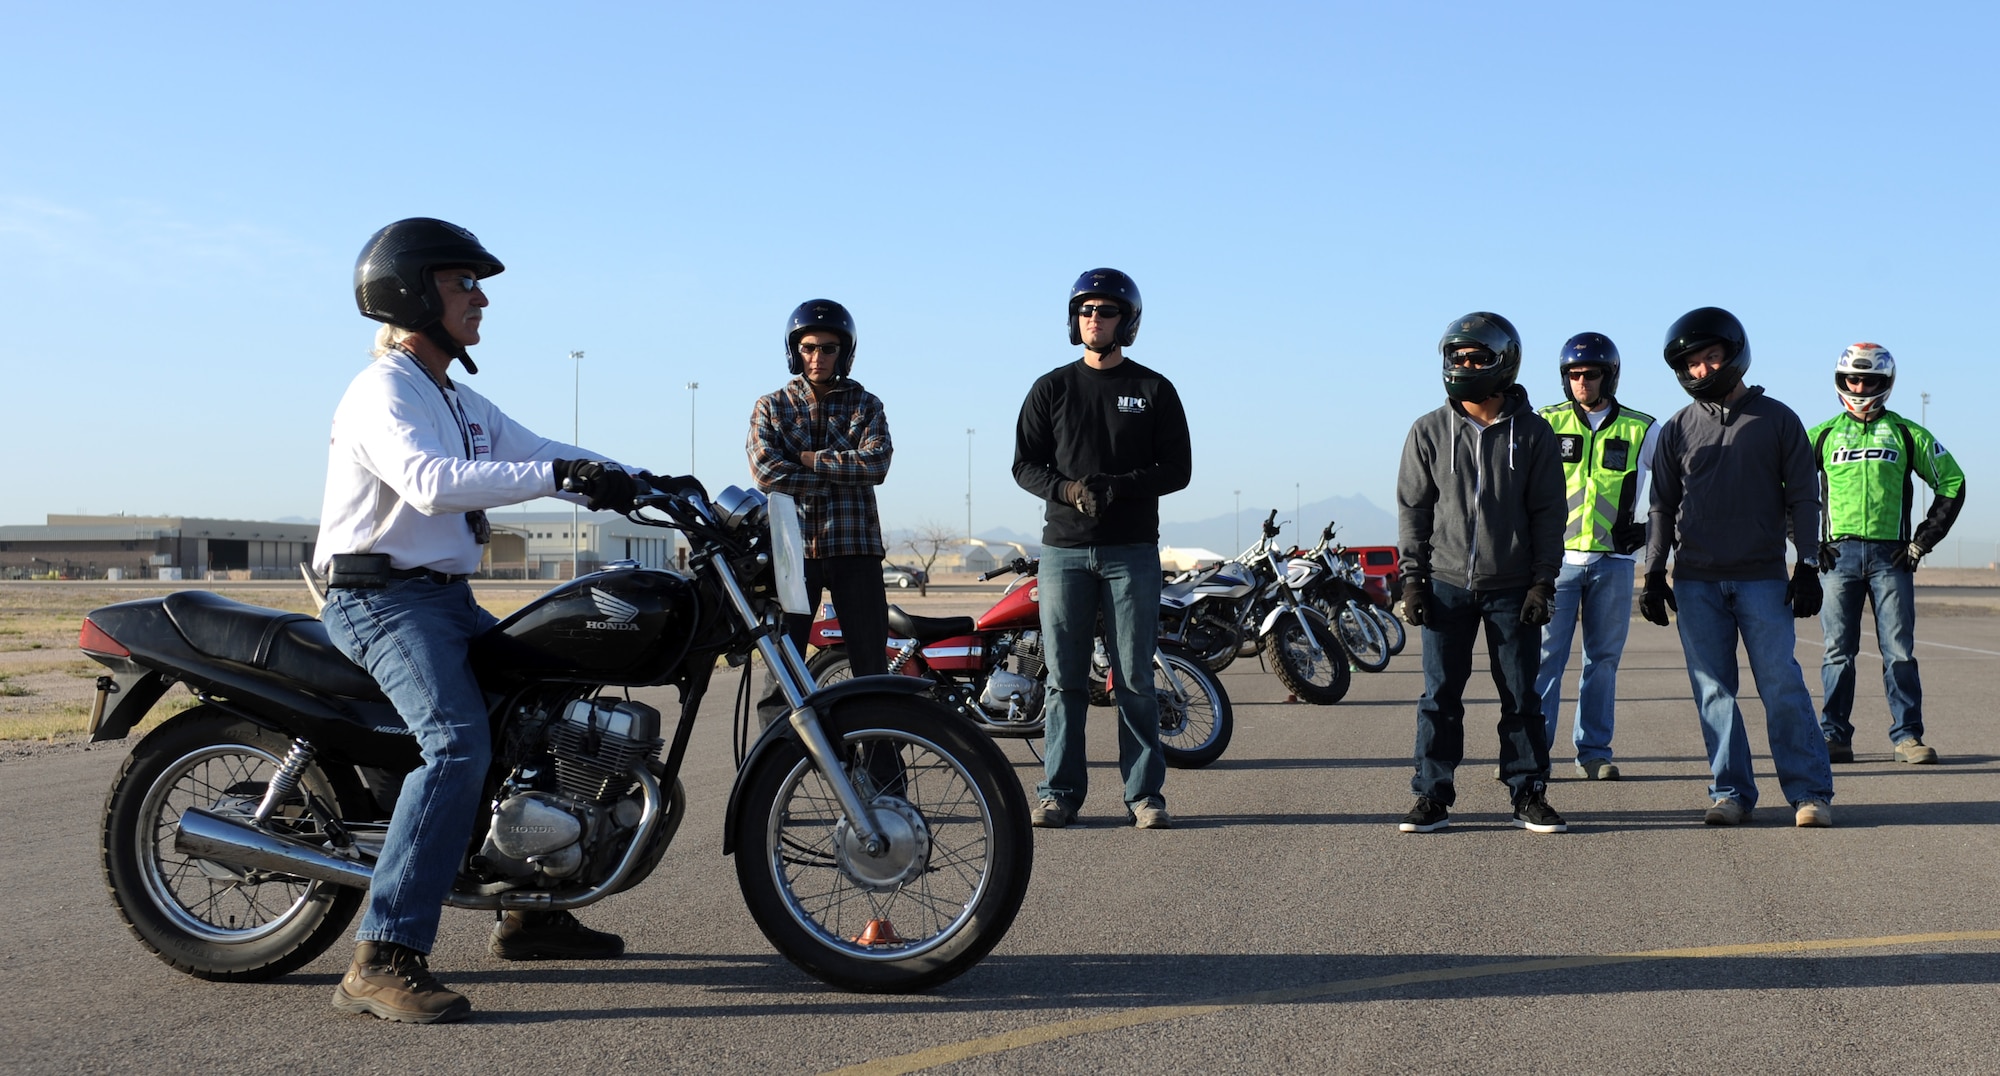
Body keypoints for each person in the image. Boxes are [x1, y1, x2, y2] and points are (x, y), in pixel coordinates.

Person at [318, 218, 641, 1024]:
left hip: (445, 600)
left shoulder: (456, 398)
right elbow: (430, 483)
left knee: (547, 706)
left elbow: (546, 452)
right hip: (380, 600)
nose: (481, 297)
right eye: (464, 282)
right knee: (458, 742)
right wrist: (557, 472)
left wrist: (653, 484)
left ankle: (530, 908)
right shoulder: (383, 390)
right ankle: (381, 955)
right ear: (414, 291)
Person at [1640, 306, 1836, 828]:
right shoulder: (1678, 428)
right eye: (1692, 364)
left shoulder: (1778, 420)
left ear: (1734, 354)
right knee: (1714, 691)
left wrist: (1809, 565)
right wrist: (1654, 573)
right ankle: (1731, 793)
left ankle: (1810, 793)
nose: (1702, 370)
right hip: (1697, 581)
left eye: (1711, 358)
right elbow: (1660, 505)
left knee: (1781, 685)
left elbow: (1804, 498)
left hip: (1761, 579)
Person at [1013, 268, 1191, 830]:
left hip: (1131, 552)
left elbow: (1178, 469)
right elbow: (1024, 465)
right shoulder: (1050, 389)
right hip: (1064, 551)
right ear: (1075, 320)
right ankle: (1059, 793)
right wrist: (1066, 490)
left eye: (1106, 311)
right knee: (1064, 680)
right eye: (1086, 311)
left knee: (1134, 678)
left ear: (1127, 322)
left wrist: (1119, 485)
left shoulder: (1154, 389)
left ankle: (1144, 796)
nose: (1094, 319)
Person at [1394, 312, 1568, 834]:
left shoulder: (1534, 434)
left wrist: (1542, 581)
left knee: (1520, 697)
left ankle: (1528, 793)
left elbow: (1548, 514)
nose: (1465, 366)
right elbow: (1413, 510)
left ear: (1504, 362)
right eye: (1457, 357)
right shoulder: (1427, 431)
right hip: (1445, 584)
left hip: (1512, 587)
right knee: (1439, 697)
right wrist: (1412, 578)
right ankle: (1432, 796)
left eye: (1476, 358)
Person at [1809, 343, 1966, 764]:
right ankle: (1834, 737)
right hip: (1836, 558)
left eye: (1870, 380)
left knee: (1898, 650)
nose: (1860, 387)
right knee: (1836, 652)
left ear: (1886, 383)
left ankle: (1907, 737)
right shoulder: (1820, 434)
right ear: (1841, 381)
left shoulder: (1906, 433)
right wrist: (1808, 543)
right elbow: (1786, 488)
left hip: (1891, 557)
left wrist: (1921, 542)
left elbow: (1952, 482)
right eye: (1853, 379)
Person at [747, 299, 894, 727]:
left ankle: (884, 770)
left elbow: (877, 465)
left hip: (857, 548)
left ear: (844, 352)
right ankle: (774, 765)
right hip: (792, 551)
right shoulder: (771, 406)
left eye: (828, 348)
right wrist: (837, 473)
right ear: (795, 350)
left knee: (871, 666)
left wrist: (809, 459)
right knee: (783, 665)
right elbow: (765, 471)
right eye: (809, 348)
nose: (818, 357)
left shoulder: (866, 405)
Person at [1533, 333, 1657, 781]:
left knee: (1601, 661)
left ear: (1611, 375)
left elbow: (1677, 490)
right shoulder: (1544, 422)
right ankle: (1533, 751)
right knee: (1545, 657)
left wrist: (1649, 532)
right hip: (1555, 561)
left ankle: (1594, 752)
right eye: (1573, 374)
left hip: (1615, 563)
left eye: (1590, 374)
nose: (1581, 382)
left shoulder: (1642, 428)